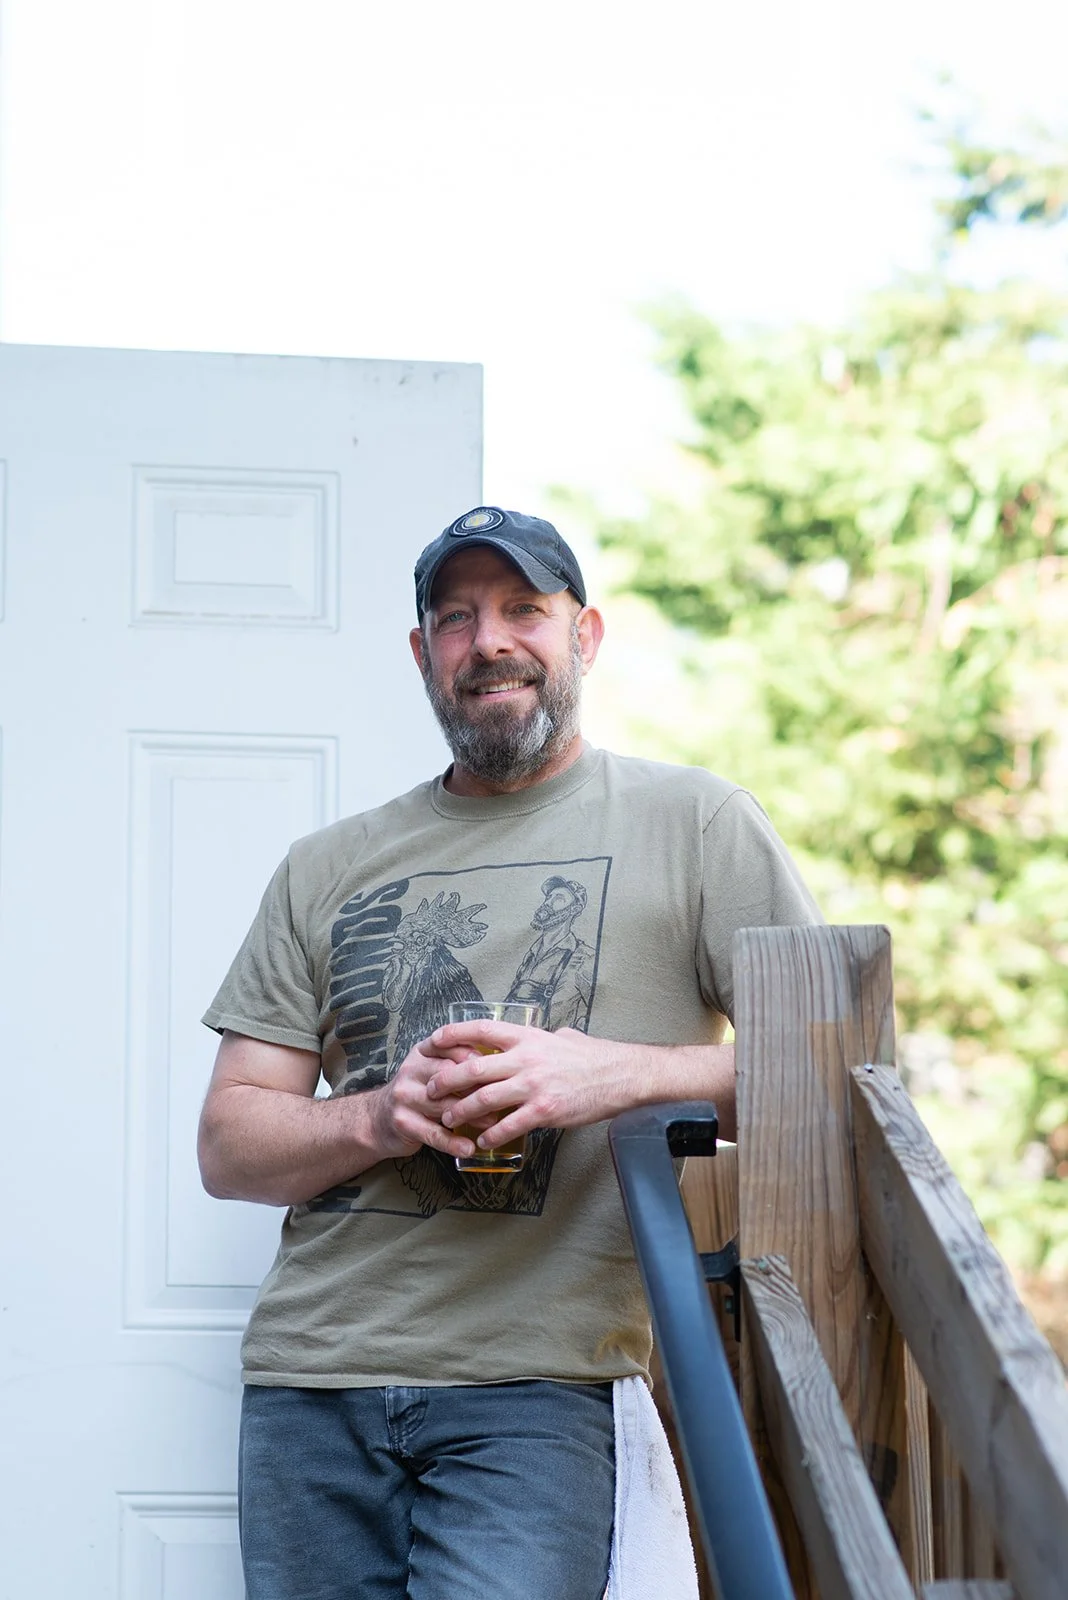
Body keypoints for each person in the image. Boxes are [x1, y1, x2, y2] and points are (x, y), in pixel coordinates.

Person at [197, 504, 822, 1600]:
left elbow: (837, 1068)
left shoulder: (697, 823)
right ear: (423, 654)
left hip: (536, 1387)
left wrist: (613, 1073)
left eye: (524, 608)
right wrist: (381, 1113)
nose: (488, 638)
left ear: (585, 636)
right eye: (456, 616)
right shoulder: (325, 864)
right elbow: (229, 1142)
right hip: (311, 1380)